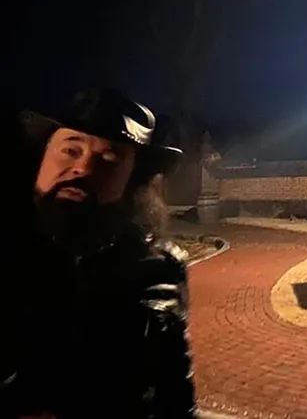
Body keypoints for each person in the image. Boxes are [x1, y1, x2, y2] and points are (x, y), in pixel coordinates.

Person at [1, 88, 197, 419]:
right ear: (41, 159)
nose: (83, 167)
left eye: (109, 159)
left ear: (132, 183)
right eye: (70, 149)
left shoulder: (160, 268)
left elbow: (176, 393)